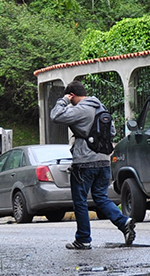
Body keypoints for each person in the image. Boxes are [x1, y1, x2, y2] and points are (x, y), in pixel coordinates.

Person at [49, 81, 136, 250]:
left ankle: (83, 239)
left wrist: (63, 101)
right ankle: (124, 222)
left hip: (85, 162)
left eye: (70, 98)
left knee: (80, 201)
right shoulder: (101, 108)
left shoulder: (80, 109)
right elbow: (112, 132)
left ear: (72, 95)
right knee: (101, 197)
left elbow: (55, 116)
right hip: (104, 161)